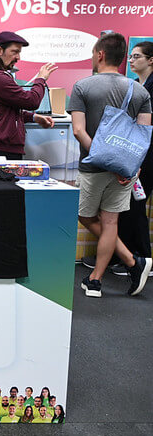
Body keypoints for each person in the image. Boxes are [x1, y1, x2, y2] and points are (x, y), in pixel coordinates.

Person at [69, 33, 152, 298]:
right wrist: (127, 166)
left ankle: (127, 262)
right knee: (110, 222)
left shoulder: (83, 86)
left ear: (101, 54)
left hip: (93, 167)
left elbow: (79, 131)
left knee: (83, 214)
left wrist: (106, 160)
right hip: (125, 172)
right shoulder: (139, 90)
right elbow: (143, 136)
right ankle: (101, 278)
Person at [0, 31, 58, 159]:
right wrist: (40, 79)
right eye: (15, 52)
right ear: (0, 50)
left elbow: (5, 111)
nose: (18, 58)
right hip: (1, 152)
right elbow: (32, 102)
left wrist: (34, 118)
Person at [119, 41, 153, 262]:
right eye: (130, 56)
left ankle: (143, 258)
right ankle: (127, 256)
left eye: (137, 56)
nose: (131, 60)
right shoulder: (134, 85)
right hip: (134, 151)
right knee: (128, 204)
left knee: (137, 203)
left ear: (151, 60)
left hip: (148, 154)